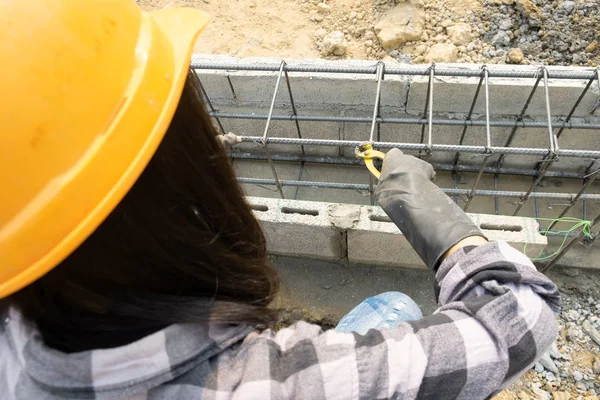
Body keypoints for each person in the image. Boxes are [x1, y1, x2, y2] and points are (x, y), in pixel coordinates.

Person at [0, 1, 560, 399]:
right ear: (176, 177)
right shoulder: (277, 385)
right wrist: (424, 205)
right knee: (398, 310)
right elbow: (518, 321)